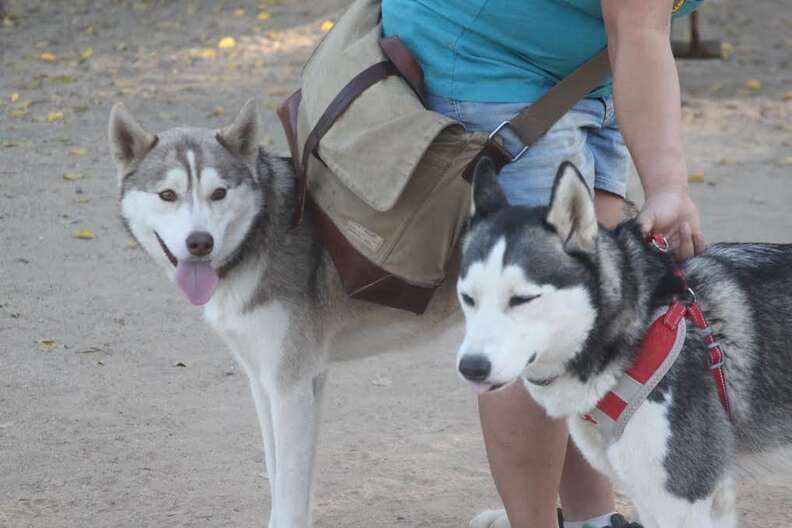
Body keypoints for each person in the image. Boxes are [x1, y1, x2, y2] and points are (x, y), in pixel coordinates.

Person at [382, 1, 706, 527]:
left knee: (580, 313)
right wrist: (667, 185)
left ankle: (592, 520)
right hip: (495, 61)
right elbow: (639, 23)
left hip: (594, 73)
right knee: (525, 315)